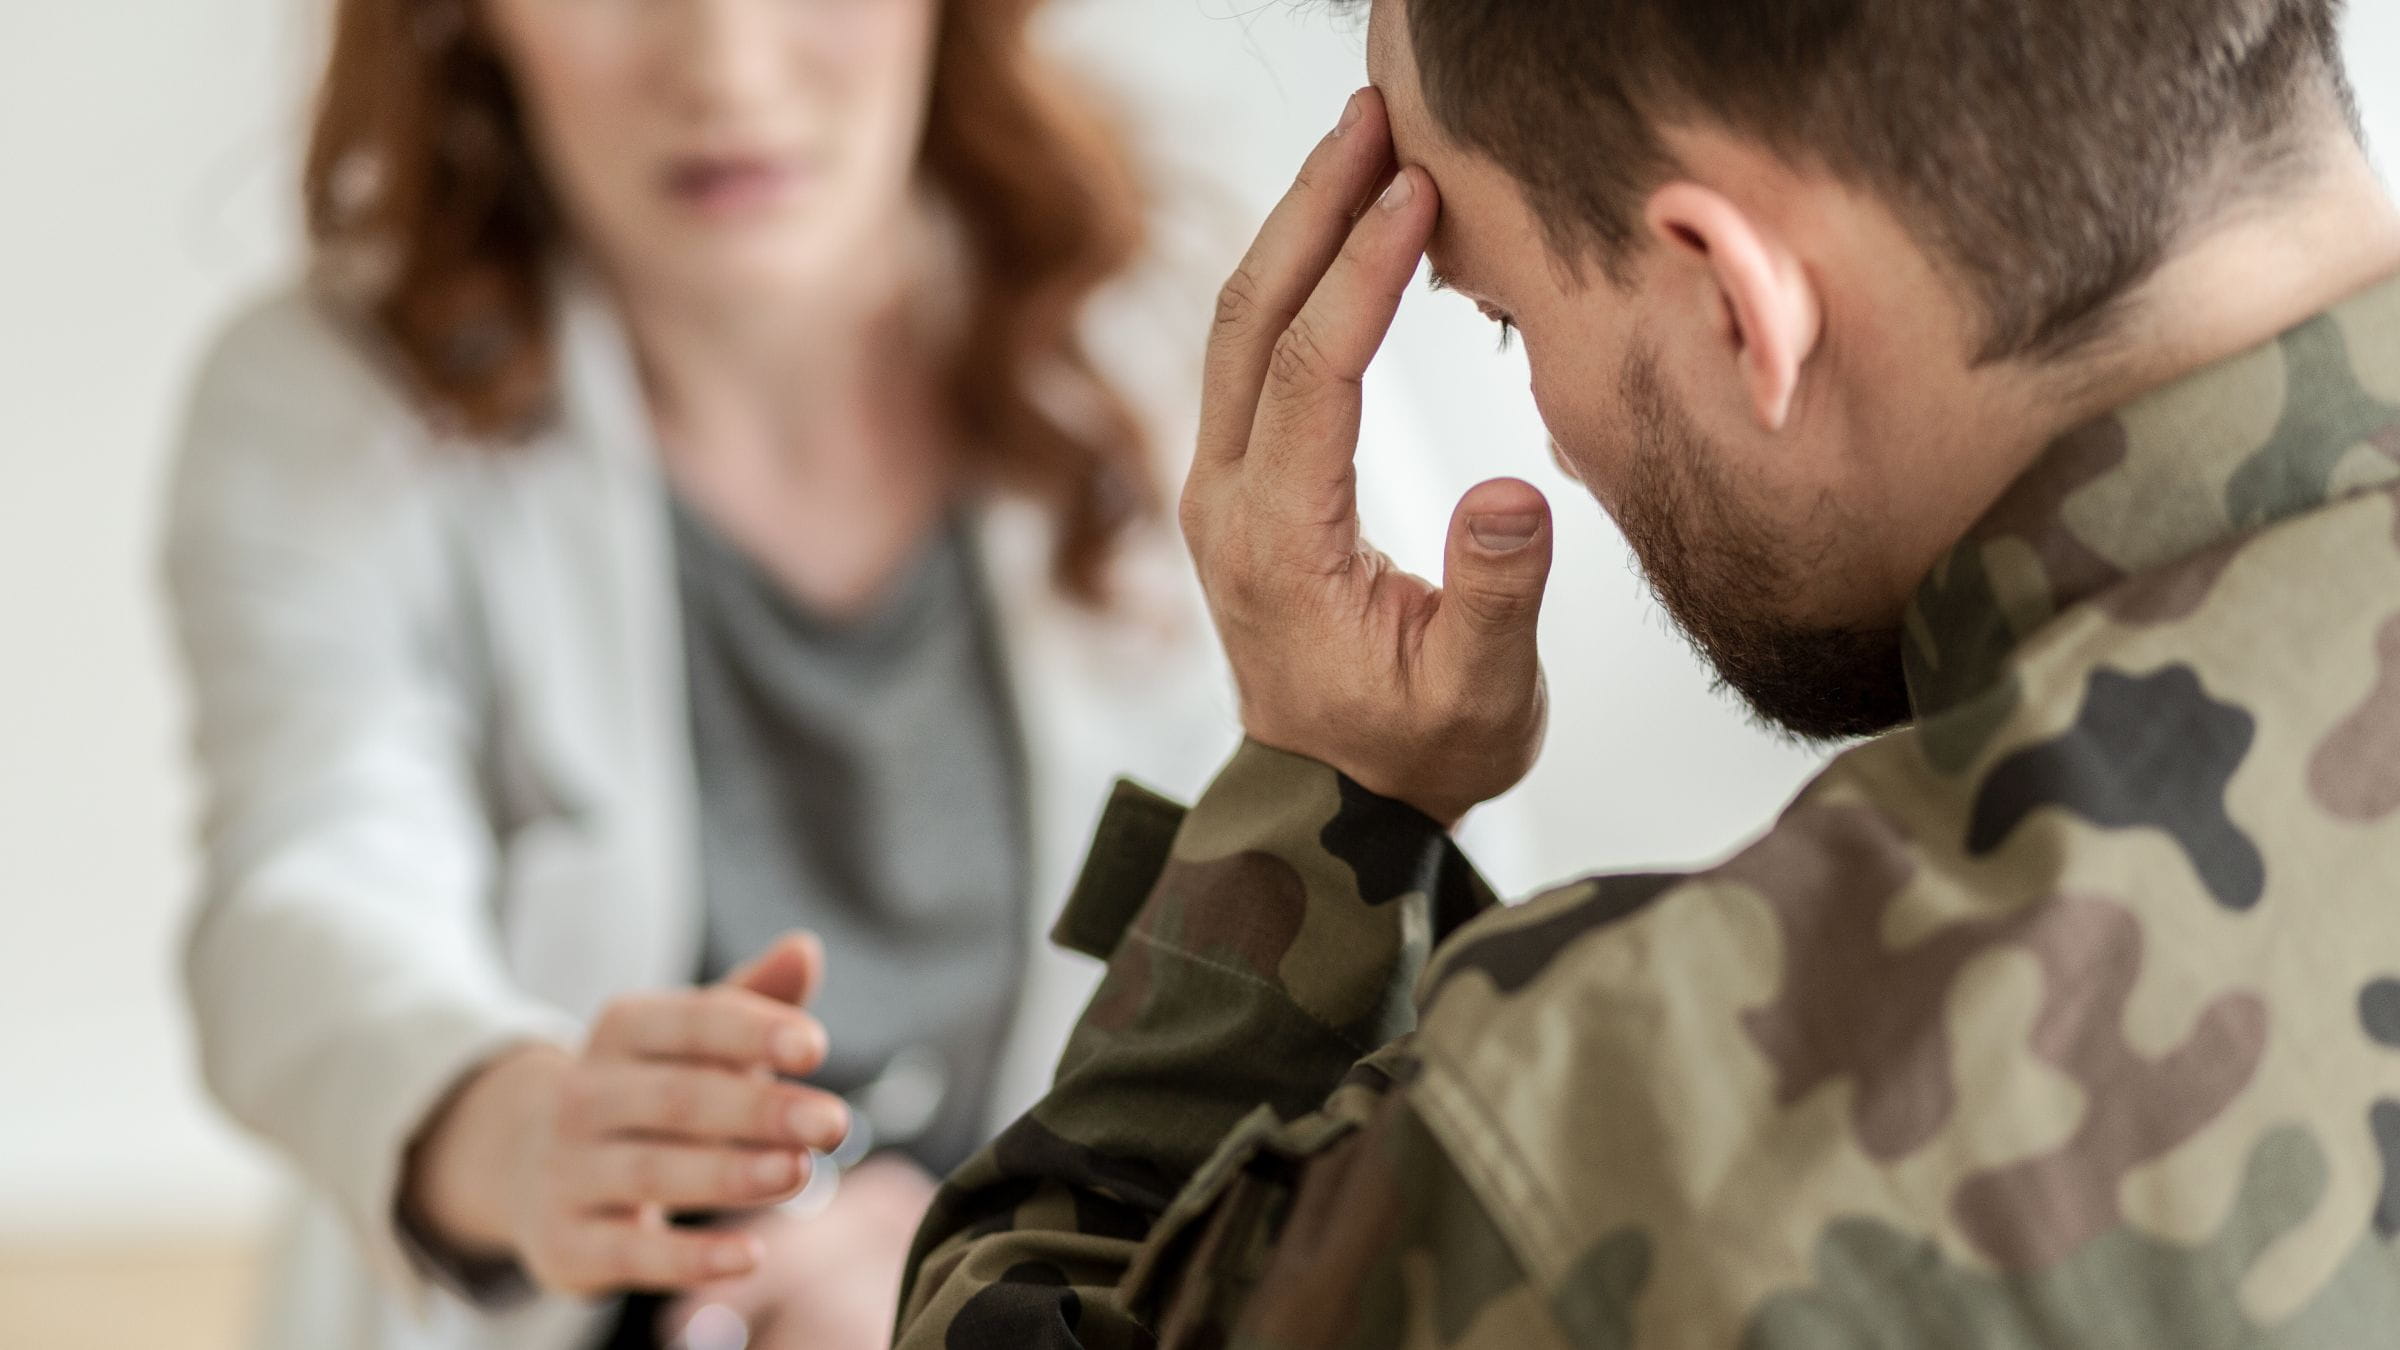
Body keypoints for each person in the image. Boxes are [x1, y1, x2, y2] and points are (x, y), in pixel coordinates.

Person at [892, 0, 2400, 1346]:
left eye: (1502, 322)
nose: (1547, 427)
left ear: (1739, 308)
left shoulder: (1657, 1154)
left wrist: (1324, 787)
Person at [159, 1, 1269, 1348]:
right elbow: (308, 890)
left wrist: (971, 1290)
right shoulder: (322, 400)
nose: (727, 67)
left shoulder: (1208, 346)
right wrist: (515, 1128)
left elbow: (1394, 959)